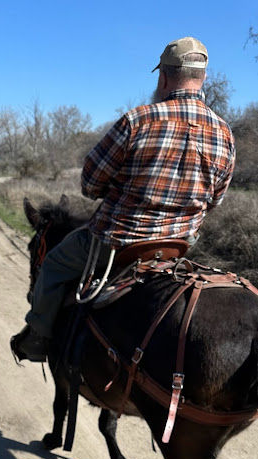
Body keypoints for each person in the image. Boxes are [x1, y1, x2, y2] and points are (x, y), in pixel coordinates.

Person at [12, 36, 236, 362]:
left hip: (118, 244)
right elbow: (215, 200)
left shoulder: (137, 121)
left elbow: (89, 184)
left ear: (163, 77)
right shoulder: (225, 134)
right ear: (202, 77)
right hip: (177, 247)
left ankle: (37, 338)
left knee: (55, 264)